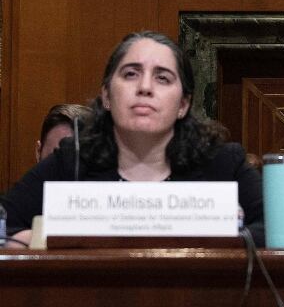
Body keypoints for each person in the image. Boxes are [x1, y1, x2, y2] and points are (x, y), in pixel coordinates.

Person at [3, 31, 264, 247]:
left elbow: (275, 231)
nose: (145, 87)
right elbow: (4, 222)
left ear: (183, 104)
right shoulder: (73, 160)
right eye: (130, 74)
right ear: (106, 96)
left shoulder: (221, 163)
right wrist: (39, 240)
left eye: (162, 78)